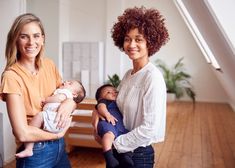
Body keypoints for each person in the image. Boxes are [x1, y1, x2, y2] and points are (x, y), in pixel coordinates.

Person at [93, 6, 169, 168]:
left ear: (151, 42)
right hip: (119, 151)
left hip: (137, 154)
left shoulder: (152, 78)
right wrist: (99, 114)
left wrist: (115, 143)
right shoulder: (128, 74)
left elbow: (150, 128)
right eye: (127, 39)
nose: (131, 44)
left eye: (138, 39)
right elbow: (116, 107)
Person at [0, 13, 78, 168]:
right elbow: (22, 133)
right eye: (24, 36)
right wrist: (57, 134)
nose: (31, 42)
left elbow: (65, 96)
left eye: (36, 36)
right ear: (15, 39)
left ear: (42, 39)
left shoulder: (49, 65)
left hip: (59, 148)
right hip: (35, 151)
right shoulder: (11, 76)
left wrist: (71, 102)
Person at [15, 80, 86, 158]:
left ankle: (29, 148)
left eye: (70, 83)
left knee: (38, 118)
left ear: (74, 94)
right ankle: (30, 147)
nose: (66, 82)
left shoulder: (65, 93)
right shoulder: (65, 94)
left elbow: (58, 98)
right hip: (55, 123)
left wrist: (45, 100)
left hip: (54, 118)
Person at [95, 84, 133, 168]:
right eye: (108, 92)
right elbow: (101, 107)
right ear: (100, 98)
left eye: (115, 91)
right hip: (107, 122)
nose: (113, 93)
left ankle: (126, 155)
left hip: (120, 126)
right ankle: (109, 156)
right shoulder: (104, 101)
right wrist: (107, 114)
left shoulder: (119, 102)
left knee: (128, 136)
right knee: (109, 134)